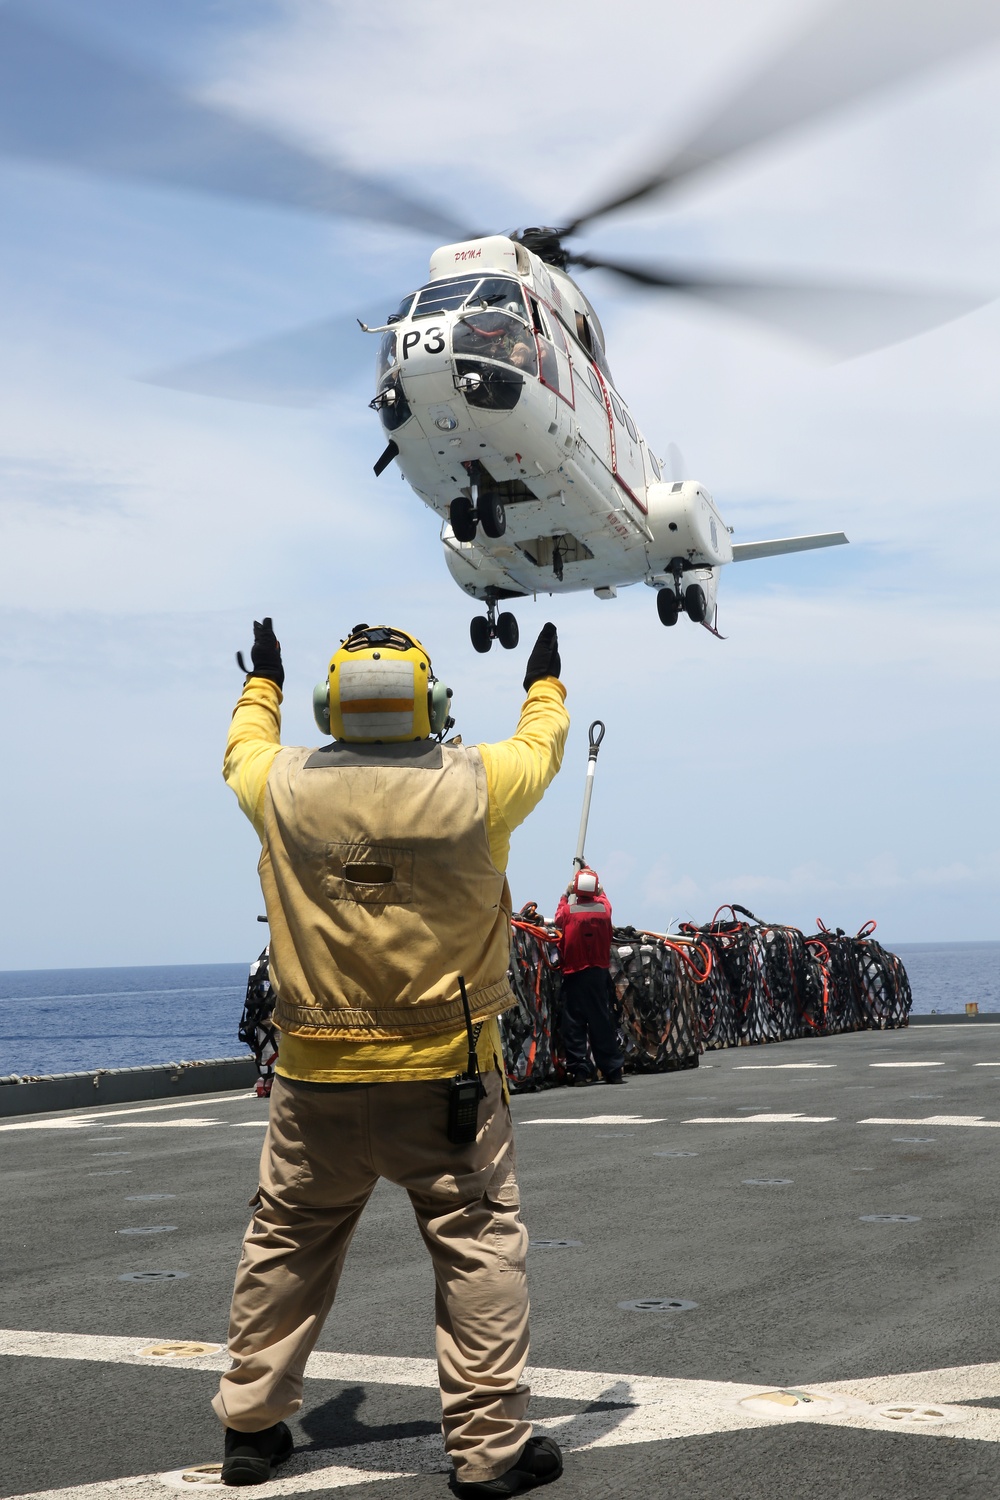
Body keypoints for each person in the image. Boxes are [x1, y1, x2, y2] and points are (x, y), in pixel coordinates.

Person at [216, 617, 569, 1499]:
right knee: (478, 1251)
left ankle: (252, 1431)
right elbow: (543, 745)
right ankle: (488, 1452)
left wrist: (263, 683)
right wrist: (545, 685)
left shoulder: (282, 788)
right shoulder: (482, 785)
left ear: (330, 703)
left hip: (312, 1080)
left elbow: (241, 748)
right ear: (434, 702)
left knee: (284, 1248)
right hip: (447, 1078)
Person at [554, 868, 624, 1086]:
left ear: (576, 888)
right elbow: (606, 900)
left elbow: (558, 919)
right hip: (598, 974)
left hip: (574, 974)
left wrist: (565, 894)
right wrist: (600, 890)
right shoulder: (604, 910)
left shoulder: (569, 911)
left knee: (574, 1023)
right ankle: (613, 1070)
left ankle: (580, 1072)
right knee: (601, 1021)